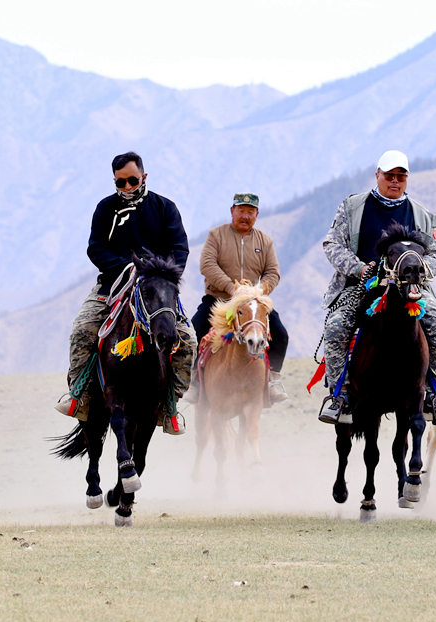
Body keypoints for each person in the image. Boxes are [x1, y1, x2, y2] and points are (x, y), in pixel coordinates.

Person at [54, 152, 195, 431]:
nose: (127, 187)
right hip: (112, 287)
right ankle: (79, 397)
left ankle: (170, 406)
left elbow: (180, 248)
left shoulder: (165, 207)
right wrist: (126, 267)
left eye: (133, 180)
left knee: (188, 341)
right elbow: (95, 248)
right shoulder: (105, 208)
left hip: (157, 291)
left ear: (144, 177)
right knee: (82, 330)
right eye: (121, 182)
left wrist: (160, 274)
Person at [318, 150, 436, 425]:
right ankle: (339, 396)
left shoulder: (421, 215)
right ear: (377, 175)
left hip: (411, 289)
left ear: (407, 179)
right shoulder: (353, 207)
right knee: (335, 327)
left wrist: (419, 271)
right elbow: (332, 244)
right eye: (389, 175)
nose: (395, 181)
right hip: (360, 286)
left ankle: (435, 396)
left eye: (401, 176)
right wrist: (359, 268)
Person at [186, 193, 289, 403]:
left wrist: (257, 292)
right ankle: (193, 381)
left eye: (250, 212)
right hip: (218, 300)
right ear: (232, 211)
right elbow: (207, 265)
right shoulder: (216, 235)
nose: (245, 216)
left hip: (253, 303)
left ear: (257, 214)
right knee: (193, 332)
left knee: (280, 335)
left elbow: (273, 272)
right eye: (241, 211)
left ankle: (272, 380)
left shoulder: (265, 241)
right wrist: (231, 289)